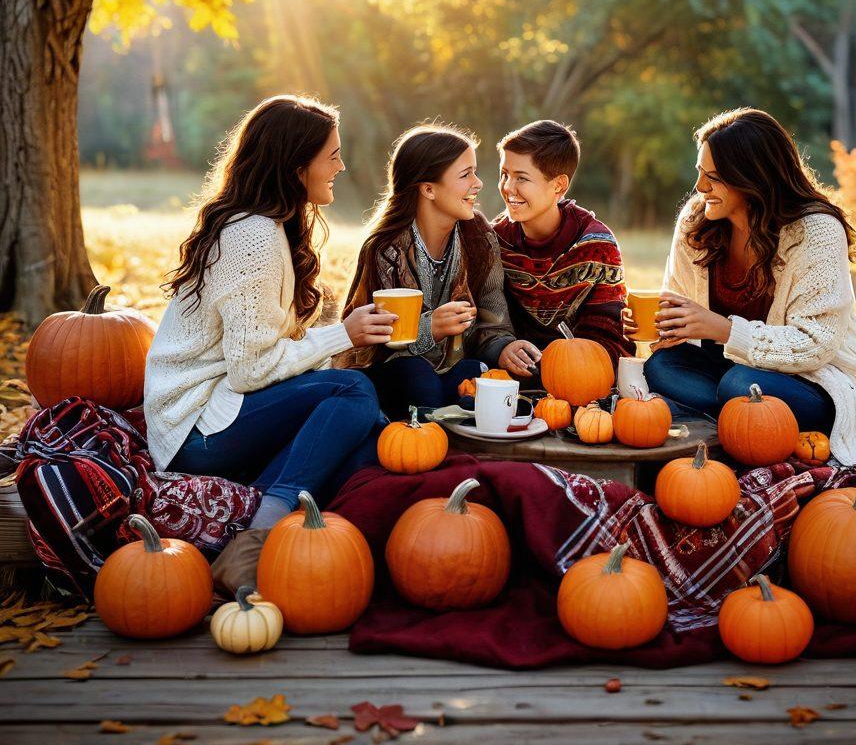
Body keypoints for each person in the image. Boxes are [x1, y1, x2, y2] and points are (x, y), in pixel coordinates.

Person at [144, 95, 394, 592]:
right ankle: (259, 538)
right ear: (296, 166)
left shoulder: (270, 227)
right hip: (196, 427)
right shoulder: (253, 236)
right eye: (332, 156)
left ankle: (260, 521)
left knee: (366, 436)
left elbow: (264, 353)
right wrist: (342, 335)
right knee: (354, 392)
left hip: (229, 412)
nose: (341, 166)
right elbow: (250, 370)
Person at [629, 107, 856, 478]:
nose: (700, 187)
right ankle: (739, 424)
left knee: (741, 386)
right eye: (700, 172)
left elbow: (816, 344)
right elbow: (680, 306)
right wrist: (662, 327)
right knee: (662, 367)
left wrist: (723, 329)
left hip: (813, 380)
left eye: (714, 177)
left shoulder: (816, 231)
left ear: (753, 178)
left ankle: (730, 420)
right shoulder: (697, 221)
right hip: (728, 370)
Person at [341, 124, 538, 417]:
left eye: (475, 172)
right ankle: (445, 412)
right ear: (428, 189)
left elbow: (492, 318)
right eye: (465, 174)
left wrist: (504, 348)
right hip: (397, 370)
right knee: (419, 379)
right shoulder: (386, 249)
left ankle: (449, 408)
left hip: (455, 367)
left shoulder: (478, 236)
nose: (478, 183)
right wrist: (430, 328)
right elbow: (376, 342)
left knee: (479, 372)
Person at [492, 120, 634, 371]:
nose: (508, 187)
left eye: (521, 178)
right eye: (505, 174)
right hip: (514, 370)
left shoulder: (596, 246)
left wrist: (561, 367)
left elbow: (608, 334)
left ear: (558, 185)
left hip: (581, 370)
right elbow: (489, 322)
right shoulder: (495, 239)